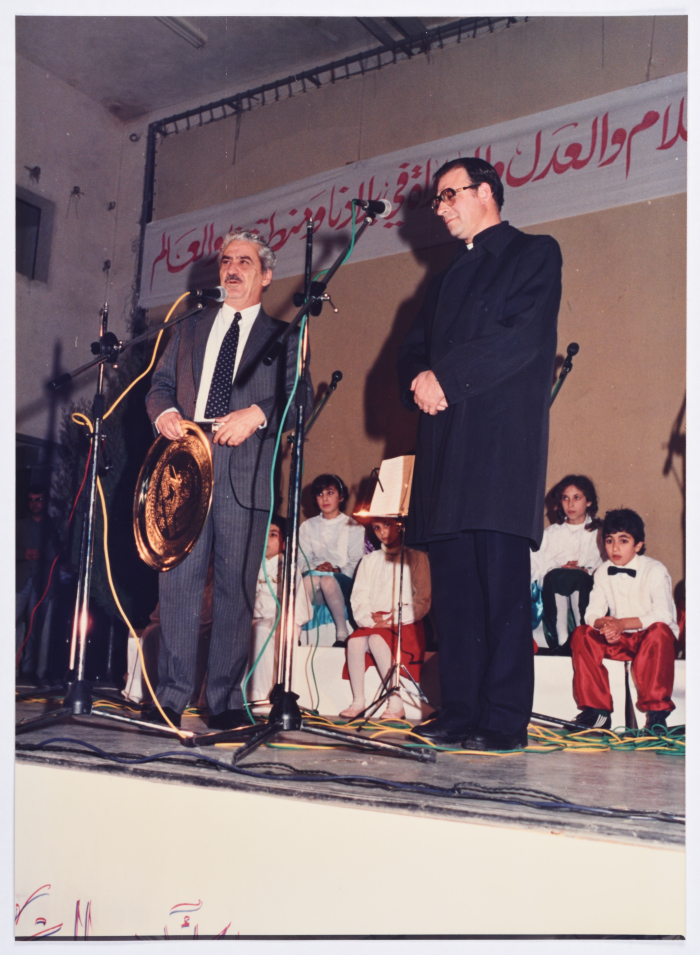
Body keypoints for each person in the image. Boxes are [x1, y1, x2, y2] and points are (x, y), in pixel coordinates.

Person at [397, 157, 562, 751]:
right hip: (445, 451)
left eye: (450, 196)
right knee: (456, 592)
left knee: (500, 591)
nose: (440, 208)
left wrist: (445, 377)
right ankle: (460, 710)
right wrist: (418, 378)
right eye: (438, 200)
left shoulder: (534, 253)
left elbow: (521, 337)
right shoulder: (443, 280)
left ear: (486, 192)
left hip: (498, 451)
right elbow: (411, 352)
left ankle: (504, 720)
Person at [144, 229, 312, 730]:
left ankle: (222, 700)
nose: (232, 269)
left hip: (246, 472)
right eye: (226, 261)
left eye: (244, 262)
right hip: (185, 469)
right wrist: (166, 413)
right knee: (178, 585)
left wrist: (257, 414)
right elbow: (159, 386)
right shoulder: (189, 327)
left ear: (267, 275)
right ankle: (170, 696)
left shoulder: (284, 335)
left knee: (236, 590)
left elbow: (300, 398)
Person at [570, 508, 679, 733]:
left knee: (660, 630)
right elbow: (592, 614)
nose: (615, 548)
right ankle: (598, 712)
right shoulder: (602, 572)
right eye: (609, 540)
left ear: (638, 545)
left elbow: (663, 615)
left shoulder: (655, 570)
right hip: (620, 639)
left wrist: (621, 624)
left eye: (623, 540)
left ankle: (657, 714)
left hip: (652, 641)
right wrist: (607, 627)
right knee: (583, 634)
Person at [340, 518, 431, 721]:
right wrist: (370, 620)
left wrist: (392, 618)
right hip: (374, 622)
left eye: (387, 525)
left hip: (405, 623)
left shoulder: (416, 557)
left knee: (376, 640)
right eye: (377, 527)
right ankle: (358, 701)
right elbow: (359, 596)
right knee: (354, 642)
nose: (382, 532)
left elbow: (422, 600)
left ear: (400, 526)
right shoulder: (369, 559)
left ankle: (396, 704)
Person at [531, 475, 603, 650]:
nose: (570, 504)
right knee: (559, 576)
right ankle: (562, 640)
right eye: (565, 498)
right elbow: (536, 567)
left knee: (578, 578)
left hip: (589, 593)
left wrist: (585, 571)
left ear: (588, 501)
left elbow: (607, 566)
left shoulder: (600, 534)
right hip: (555, 590)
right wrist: (559, 569)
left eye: (576, 497)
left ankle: (582, 636)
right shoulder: (550, 534)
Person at [247, 516, 312, 703]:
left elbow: (299, 607)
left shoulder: (289, 568)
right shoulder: (252, 565)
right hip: (253, 618)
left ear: (284, 543)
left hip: (277, 622)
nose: (266, 539)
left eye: (273, 535)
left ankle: (261, 695)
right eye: (263, 534)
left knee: (260, 631)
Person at [298, 474, 365, 647]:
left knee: (328, 581)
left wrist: (336, 570)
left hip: (343, 582)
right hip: (314, 579)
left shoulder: (354, 526)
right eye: (320, 494)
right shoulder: (307, 526)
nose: (325, 498)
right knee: (310, 580)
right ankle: (294, 632)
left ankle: (342, 634)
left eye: (330, 492)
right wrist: (317, 567)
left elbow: (357, 561)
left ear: (341, 497)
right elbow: (302, 559)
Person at [16, 484, 60, 684]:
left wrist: (44, 555)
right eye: (31, 500)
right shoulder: (18, 525)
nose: (34, 504)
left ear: (45, 501)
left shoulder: (53, 527)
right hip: (19, 582)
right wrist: (22, 553)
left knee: (36, 630)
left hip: (41, 584)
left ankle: (30, 673)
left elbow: (60, 553)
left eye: (38, 500)